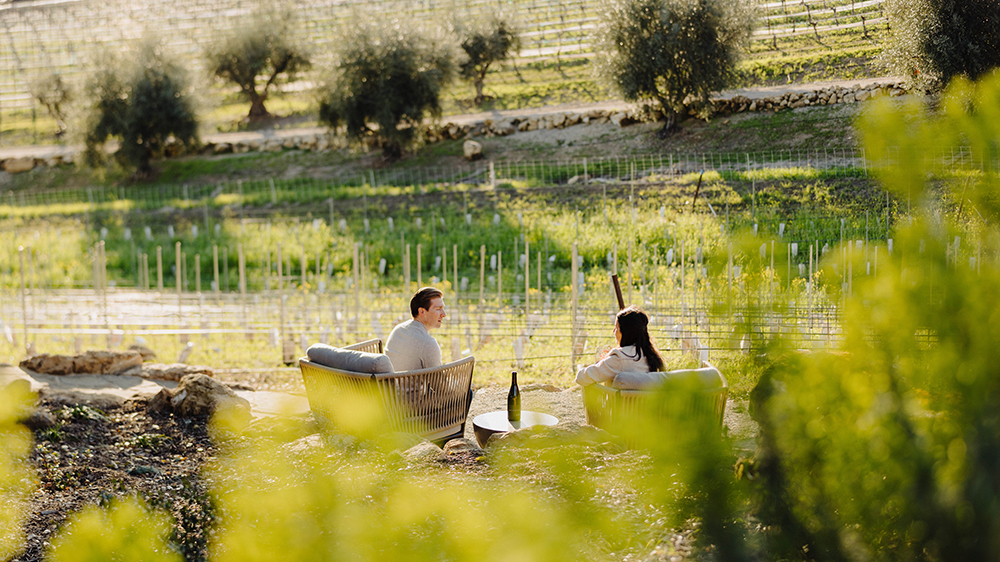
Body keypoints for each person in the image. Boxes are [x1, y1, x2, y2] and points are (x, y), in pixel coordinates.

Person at [575, 306, 664, 386]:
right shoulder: (651, 356)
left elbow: (581, 378)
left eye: (616, 327)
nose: (614, 331)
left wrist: (603, 362)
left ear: (626, 332)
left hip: (620, 404)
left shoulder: (619, 358)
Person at [385, 287, 446, 372]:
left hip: (390, 385)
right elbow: (438, 383)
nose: (444, 314)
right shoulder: (428, 343)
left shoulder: (398, 330)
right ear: (422, 312)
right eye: (438, 309)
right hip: (413, 385)